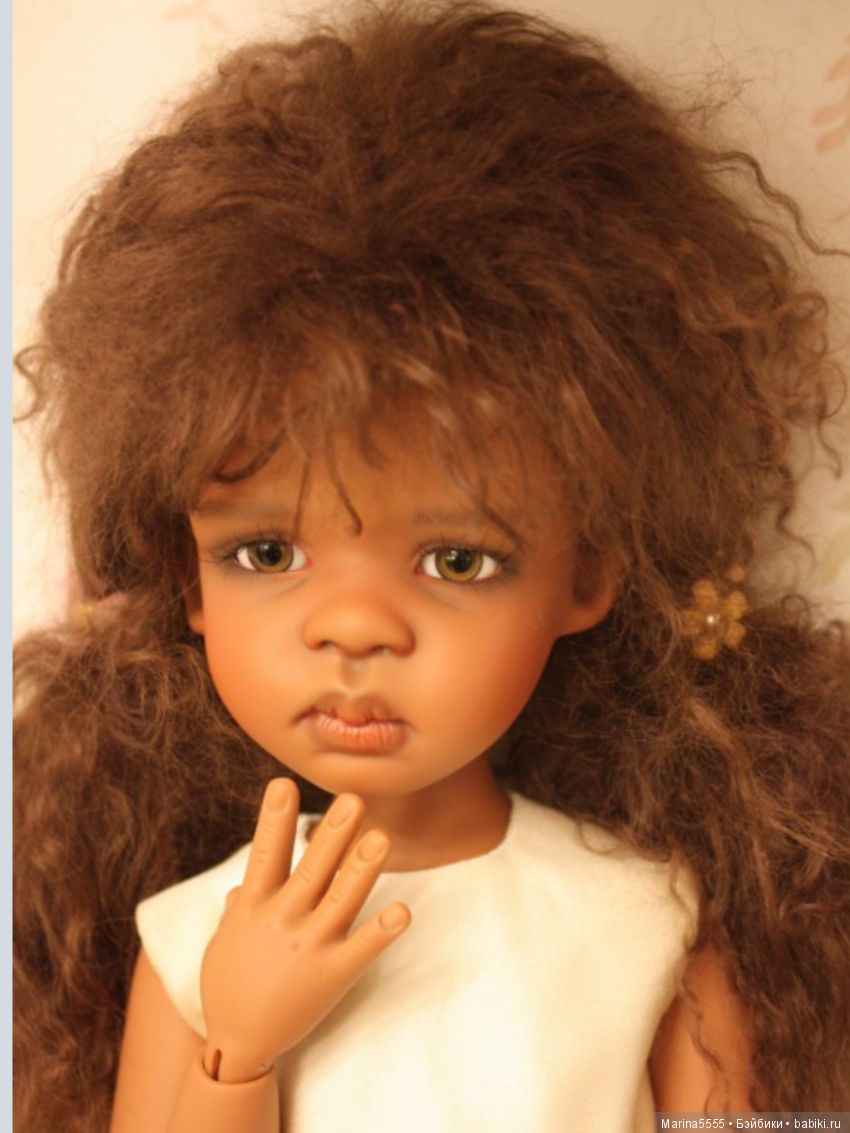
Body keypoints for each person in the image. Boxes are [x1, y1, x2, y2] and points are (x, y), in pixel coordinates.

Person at [13, 1, 850, 1129]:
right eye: (266, 551)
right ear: (189, 581)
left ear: (585, 577)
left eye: (458, 558)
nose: (355, 625)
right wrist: (236, 1053)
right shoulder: (193, 937)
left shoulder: (647, 919)